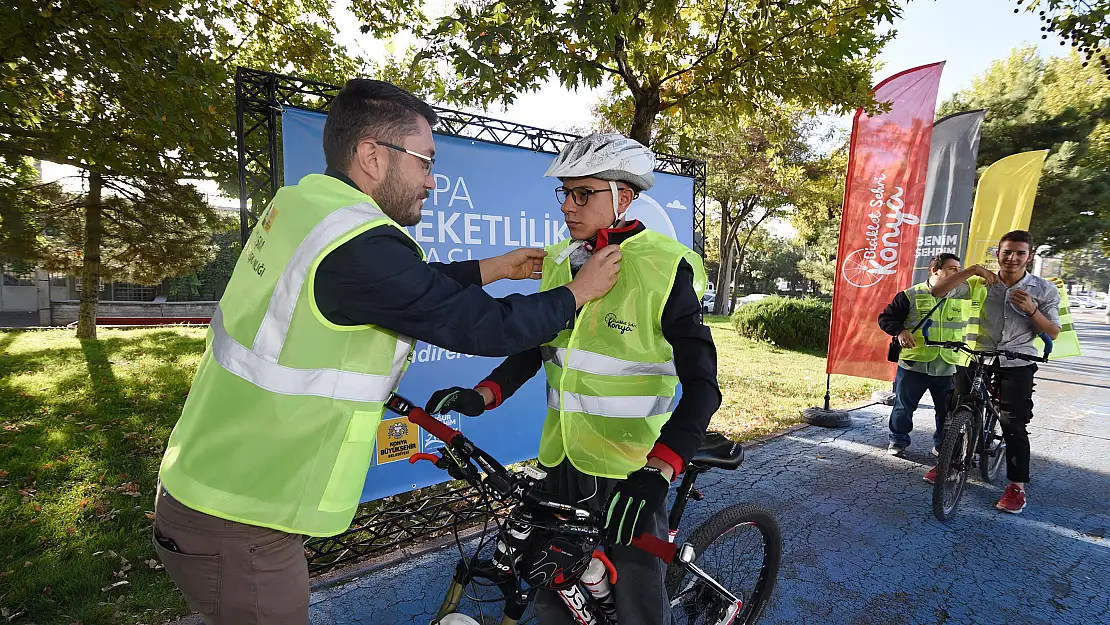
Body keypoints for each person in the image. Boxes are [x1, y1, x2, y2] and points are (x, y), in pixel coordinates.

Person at [153, 80, 624, 625]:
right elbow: (483, 328)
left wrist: (491, 268)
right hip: (240, 516)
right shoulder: (358, 244)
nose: (431, 180)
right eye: (425, 162)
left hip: (222, 487)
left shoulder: (310, 208)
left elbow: (403, 288)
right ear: (372, 155)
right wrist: (576, 293)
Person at [426, 133, 721, 625]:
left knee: (636, 603)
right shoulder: (561, 262)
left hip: (629, 469)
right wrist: (484, 394)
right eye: (564, 192)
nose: (567, 205)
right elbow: (533, 346)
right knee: (550, 587)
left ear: (623, 198)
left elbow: (704, 385)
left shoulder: (666, 268)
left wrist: (659, 470)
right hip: (559, 458)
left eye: (582, 193)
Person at [927, 230, 1061, 514]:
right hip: (976, 356)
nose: (1012, 258)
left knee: (1013, 424)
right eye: (1007, 251)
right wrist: (972, 270)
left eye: (1020, 253)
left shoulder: (1043, 289)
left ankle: (1016, 486)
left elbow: (1053, 331)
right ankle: (949, 464)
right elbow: (937, 291)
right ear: (997, 253)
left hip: (1017, 361)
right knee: (958, 412)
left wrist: (1032, 310)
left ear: (1030, 256)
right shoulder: (979, 282)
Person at [877, 253, 965, 461]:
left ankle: (942, 446)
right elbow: (885, 318)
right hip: (913, 364)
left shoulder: (961, 297)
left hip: (947, 365)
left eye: (959, 269)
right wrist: (899, 331)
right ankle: (898, 440)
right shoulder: (910, 295)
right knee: (903, 408)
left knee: (947, 413)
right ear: (935, 270)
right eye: (953, 268)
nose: (958, 273)